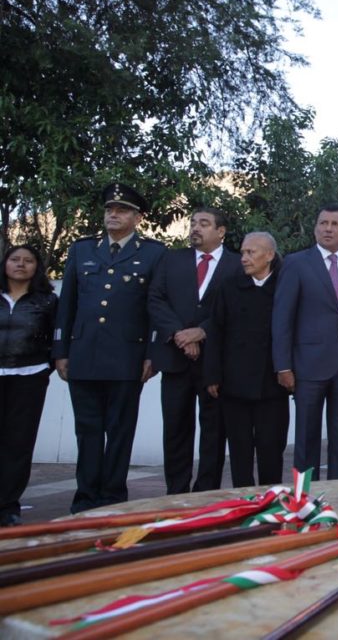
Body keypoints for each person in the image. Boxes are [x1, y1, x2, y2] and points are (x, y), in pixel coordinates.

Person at [53, 182, 166, 513]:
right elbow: (67, 305)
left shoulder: (153, 252)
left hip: (127, 357)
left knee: (119, 432)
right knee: (87, 432)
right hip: (84, 354)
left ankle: (113, 497)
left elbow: (154, 308)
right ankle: (85, 497)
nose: (113, 215)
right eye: (109, 209)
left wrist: (151, 354)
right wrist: (61, 350)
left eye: (121, 210)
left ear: (137, 217)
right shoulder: (83, 249)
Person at [147, 207, 241, 494]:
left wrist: (202, 331)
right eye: (193, 223)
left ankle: (206, 491)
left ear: (221, 231)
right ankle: (176, 491)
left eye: (204, 223)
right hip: (176, 359)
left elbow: (238, 310)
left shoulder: (237, 264)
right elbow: (155, 299)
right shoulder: (171, 260)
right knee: (176, 428)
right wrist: (180, 335)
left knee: (214, 431)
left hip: (215, 363)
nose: (195, 228)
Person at [272, 205, 338, 481]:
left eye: (336, 224)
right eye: (323, 223)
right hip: (307, 366)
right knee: (307, 437)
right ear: (314, 228)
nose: (329, 228)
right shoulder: (296, 263)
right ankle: (305, 499)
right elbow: (282, 317)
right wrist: (283, 365)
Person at [204, 233, 289, 487]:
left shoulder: (284, 287)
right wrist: (212, 375)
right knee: (239, 450)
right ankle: (243, 499)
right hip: (234, 384)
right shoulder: (229, 287)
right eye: (243, 252)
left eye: (251, 252)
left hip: (272, 384)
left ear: (270, 255)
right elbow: (215, 332)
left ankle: (272, 499)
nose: (244, 258)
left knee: (271, 448)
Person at [0, 246, 57, 526]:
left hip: (29, 376)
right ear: (5, 264)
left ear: (37, 267)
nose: (21, 265)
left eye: (28, 260)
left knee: (18, 443)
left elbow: (56, 337)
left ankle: (8, 506)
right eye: (14, 259)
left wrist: (47, 365)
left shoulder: (46, 301)